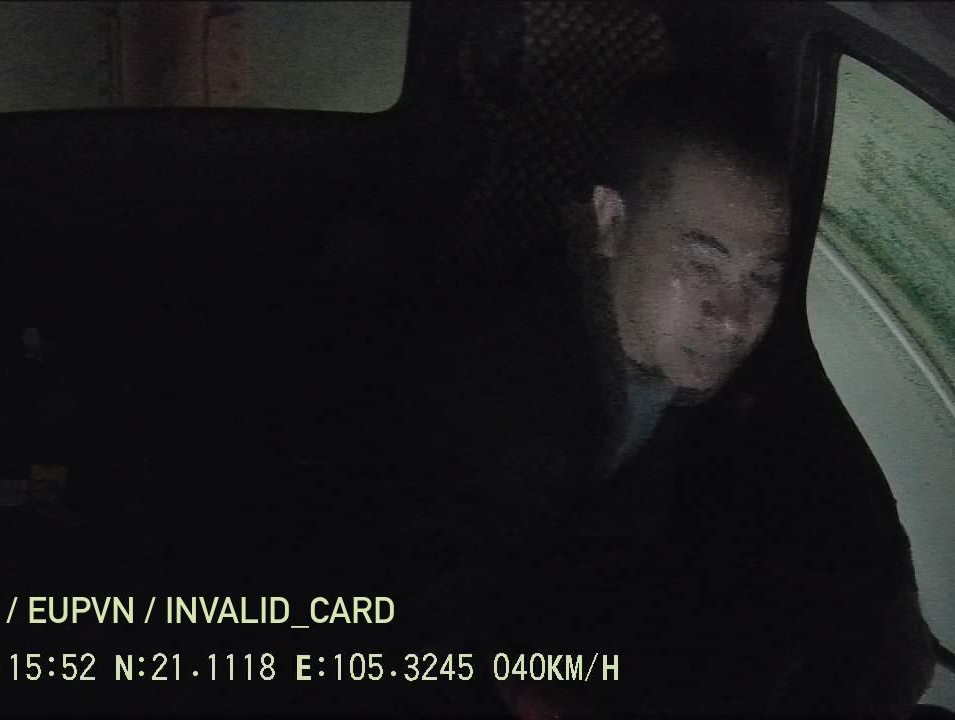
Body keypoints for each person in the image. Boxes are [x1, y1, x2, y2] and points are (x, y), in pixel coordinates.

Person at [379, 61, 936, 718]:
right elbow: (421, 619)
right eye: (702, 265)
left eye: (762, 278)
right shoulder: (508, 398)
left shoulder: (708, 368)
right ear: (612, 222)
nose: (732, 317)